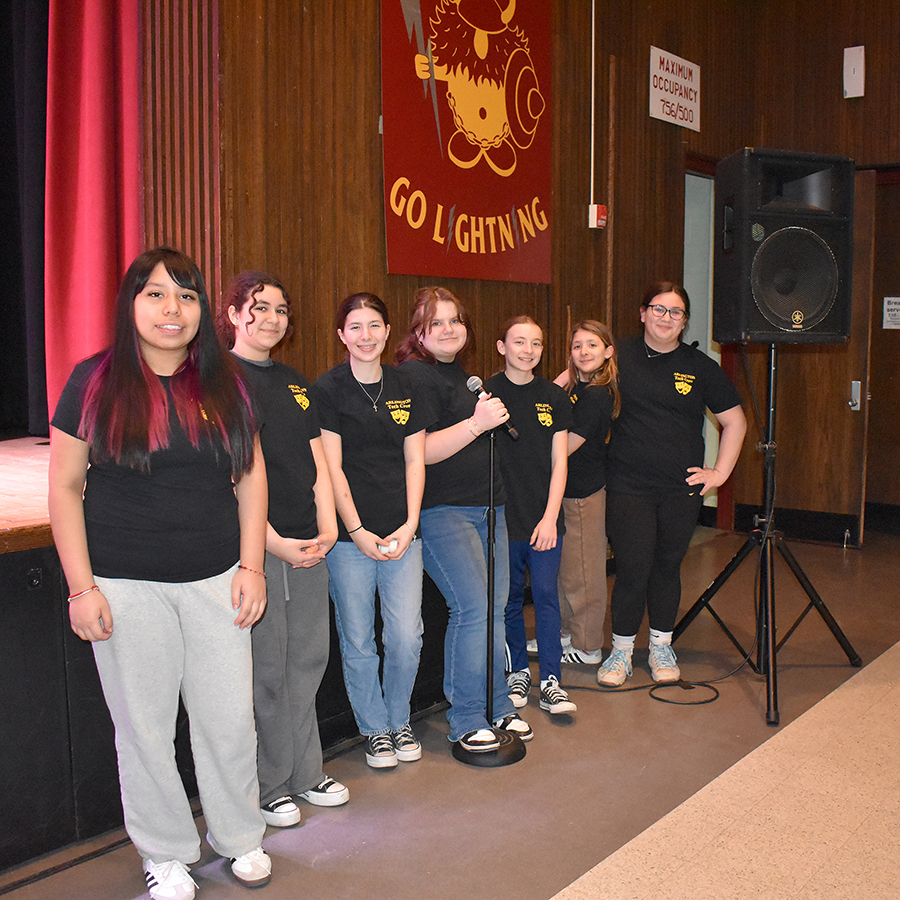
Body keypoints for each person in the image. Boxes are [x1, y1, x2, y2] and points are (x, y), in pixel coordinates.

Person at [48, 248, 272, 900]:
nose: (172, 309)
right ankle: (166, 851)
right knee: (144, 729)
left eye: (186, 296)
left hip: (215, 579)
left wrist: (253, 564)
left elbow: (251, 476)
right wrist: (82, 586)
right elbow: (65, 489)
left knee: (228, 721)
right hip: (124, 583)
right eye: (155, 295)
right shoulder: (93, 380)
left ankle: (239, 835)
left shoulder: (226, 382)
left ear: (203, 309)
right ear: (130, 305)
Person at [221, 271, 349, 828]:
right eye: (260, 308)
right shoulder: (219, 380)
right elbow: (230, 474)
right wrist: (274, 543)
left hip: (309, 545)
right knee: (266, 672)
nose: (272, 318)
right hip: (258, 549)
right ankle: (270, 785)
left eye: (280, 310)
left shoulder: (297, 383)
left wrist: (326, 530)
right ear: (232, 314)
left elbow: (318, 462)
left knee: (308, 661)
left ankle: (305, 772)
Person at [396, 286, 532, 751]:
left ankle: (498, 703)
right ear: (418, 331)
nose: (449, 329)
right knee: (473, 608)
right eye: (437, 322)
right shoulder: (414, 377)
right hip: (443, 511)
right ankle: (468, 716)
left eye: (456, 320)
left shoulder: (466, 378)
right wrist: (476, 423)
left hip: (490, 508)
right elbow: (424, 451)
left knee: (493, 609)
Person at [599, 281, 747, 687]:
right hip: (628, 484)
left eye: (676, 312)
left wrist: (719, 473)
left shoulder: (700, 366)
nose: (666, 318)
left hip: (680, 489)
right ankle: (622, 652)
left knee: (666, 567)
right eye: (658, 309)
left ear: (684, 321)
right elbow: (572, 381)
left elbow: (735, 421)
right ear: (643, 313)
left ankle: (662, 646)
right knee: (632, 568)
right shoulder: (618, 355)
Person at [313, 293, 428, 768]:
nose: (366, 335)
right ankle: (375, 729)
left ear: (386, 330)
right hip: (349, 540)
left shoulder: (407, 385)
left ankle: (399, 719)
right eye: (355, 327)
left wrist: (410, 523)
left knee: (406, 636)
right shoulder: (328, 389)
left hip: (403, 533)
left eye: (374, 325)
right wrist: (356, 530)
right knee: (359, 638)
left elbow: (416, 458)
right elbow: (332, 467)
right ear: (342, 335)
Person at [486, 316, 576, 715]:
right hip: (502, 519)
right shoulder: (486, 393)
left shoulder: (554, 397)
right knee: (507, 601)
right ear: (502, 346)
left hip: (544, 520)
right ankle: (517, 672)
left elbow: (560, 463)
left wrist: (550, 517)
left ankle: (552, 680)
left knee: (545, 597)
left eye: (536, 344)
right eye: (519, 342)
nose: (528, 350)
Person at [549, 320, 620, 667]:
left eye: (592, 345)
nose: (583, 352)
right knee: (566, 571)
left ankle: (588, 645)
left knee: (584, 573)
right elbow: (542, 403)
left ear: (608, 352)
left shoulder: (596, 395)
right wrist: (564, 379)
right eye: (577, 346)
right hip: (567, 492)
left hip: (583, 495)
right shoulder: (580, 388)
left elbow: (566, 446)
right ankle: (565, 634)